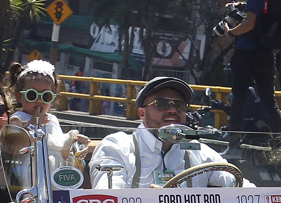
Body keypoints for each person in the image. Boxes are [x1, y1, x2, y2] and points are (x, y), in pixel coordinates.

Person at [87, 76, 245, 189]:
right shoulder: (117, 145)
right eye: (161, 104)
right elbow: (108, 199)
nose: (172, 110)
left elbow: (238, 184)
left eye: (180, 105)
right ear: (141, 113)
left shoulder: (196, 149)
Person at [220, 0, 281, 136]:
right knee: (268, 101)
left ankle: (234, 147)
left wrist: (229, 32)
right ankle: (279, 144)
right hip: (266, 52)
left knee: (239, 100)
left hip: (247, 52)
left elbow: (250, 24)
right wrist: (243, 4)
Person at [4, 59, 87, 159]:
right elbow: (15, 149)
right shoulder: (18, 118)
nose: (39, 100)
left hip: (52, 171)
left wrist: (72, 141)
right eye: (32, 95)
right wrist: (34, 125)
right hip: (30, 171)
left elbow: (61, 151)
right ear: (19, 96)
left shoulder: (52, 120)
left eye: (45, 96)